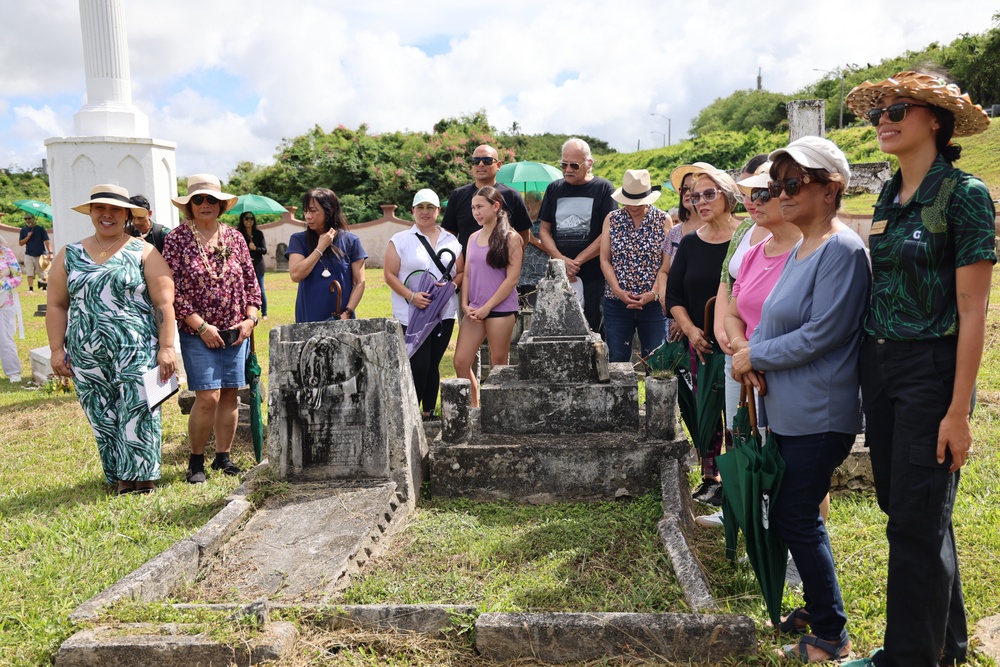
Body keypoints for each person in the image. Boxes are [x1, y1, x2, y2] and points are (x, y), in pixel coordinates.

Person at [841, 72, 995, 667]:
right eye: (878, 110)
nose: (884, 118)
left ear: (936, 120)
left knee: (913, 519)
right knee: (911, 511)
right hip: (880, 365)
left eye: (898, 108)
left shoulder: (964, 194)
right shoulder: (887, 196)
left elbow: (972, 310)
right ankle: (946, 645)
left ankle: (908, 658)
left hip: (932, 367)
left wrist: (959, 410)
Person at [731, 137, 870, 663]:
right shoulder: (800, 248)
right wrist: (756, 356)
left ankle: (831, 632)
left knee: (795, 515)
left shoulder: (841, 249)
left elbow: (823, 333)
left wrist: (756, 356)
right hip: (790, 407)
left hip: (821, 411)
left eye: (793, 183)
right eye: (777, 184)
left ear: (831, 189)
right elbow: (774, 321)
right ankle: (817, 609)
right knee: (794, 511)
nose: (781, 192)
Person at [45, 184, 176, 494]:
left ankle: (141, 480)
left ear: (127, 214)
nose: (107, 215)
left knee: (138, 409)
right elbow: (56, 304)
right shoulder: (70, 253)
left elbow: (164, 303)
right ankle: (119, 475)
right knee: (102, 415)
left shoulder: (144, 251)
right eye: (100, 208)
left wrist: (167, 347)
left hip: (136, 348)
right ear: (91, 212)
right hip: (86, 352)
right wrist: (55, 349)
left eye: (115, 209)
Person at [162, 174, 261, 484]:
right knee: (207, 396)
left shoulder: (234, 237)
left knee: (231, 393)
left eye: (211, 200)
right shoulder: (177, 239)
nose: (205, 205)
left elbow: (250, 283)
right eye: (198, 200)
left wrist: (250, 318)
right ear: (189, 205)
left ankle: (223, 457)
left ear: (221, 205)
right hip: (197, 332)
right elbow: (171, 290)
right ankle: (196, 461)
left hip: (236, 330)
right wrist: (201, 326)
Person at [664, 164, 741, 507]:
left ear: (727, 196)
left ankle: (738, 475)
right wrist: (692, 330)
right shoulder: (691, 242)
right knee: (705, 411)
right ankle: (711, 477)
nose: (701, 202)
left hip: (739, 342)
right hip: (701, 343)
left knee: (737, 413)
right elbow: (675, 296)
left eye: (710, 194)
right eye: (695, 197)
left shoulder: (747, 236)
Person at [384, 189, 463, 419]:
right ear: (412, 211)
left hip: (443, 312)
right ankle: (410, 414)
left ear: (438, 211)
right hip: (411, 313)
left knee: (433, 363)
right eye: (420, 207)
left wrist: (451, 288)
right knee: (418, 364)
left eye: (430, 207)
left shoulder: (452, 240)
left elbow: (461, 272)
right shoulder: (400, 240)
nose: (425, 212)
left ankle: (428, 412)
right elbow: (389, 275)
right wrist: (411, 296)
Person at [453, 186, 523, 408]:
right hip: (473, 310)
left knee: (498, 364)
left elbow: (511, 279)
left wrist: (487, 307)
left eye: (480, 207)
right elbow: (468, 274)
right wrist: (465, 304)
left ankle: (500, 411)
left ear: (496, 206)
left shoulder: (512, 238)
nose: (476, 212)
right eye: (473, 208)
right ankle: (475, 408)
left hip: (500, 310)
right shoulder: (472, 237)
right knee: (461, 362)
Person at [538, 138, 617, 334]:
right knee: (559, 326)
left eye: (574, 165)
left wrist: (576, 262)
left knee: (594, 327)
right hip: (560, 272)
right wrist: (561, 260)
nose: (568, 169)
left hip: (594, 275)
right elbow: (544, 230)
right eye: (563, 164)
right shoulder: (554, 188)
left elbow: (608, 232)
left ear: (589, 163)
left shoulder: (604, 188)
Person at [599, 169, 670, 363]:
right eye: (628, 200)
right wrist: (618, 291)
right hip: (617, 301)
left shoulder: (663, 220)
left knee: (656, 357)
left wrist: (653, 293)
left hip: (653, 303)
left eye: (637, 201)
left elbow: (666, 262)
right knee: (617, 357)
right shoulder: (612, 219)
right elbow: (605, 258)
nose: (632, 206)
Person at [286, 188, 367, 323]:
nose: (308, 216)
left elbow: (359, 282)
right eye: (306, 211)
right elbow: (295, 275)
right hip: (309, 318)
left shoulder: (351, 242)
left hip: (342, 319)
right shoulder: (298, 240)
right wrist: (320, 248)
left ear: (329, 211)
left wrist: (347, 313)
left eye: (313, 210)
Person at [442, 144, 533, 254]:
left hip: (502, 267)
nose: (480, 164)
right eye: (475, 161)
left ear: (498, 165)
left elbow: (524, 234)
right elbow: (449, 234)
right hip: (468, 267)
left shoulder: (512, 195)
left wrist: (512, 259)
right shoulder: (458, 195)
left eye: (487, 160)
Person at [660, 164, 706, 338]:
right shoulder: (674, 232)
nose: (687, 193)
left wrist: (683, 319)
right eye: (684, 188)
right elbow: (664, 270)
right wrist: (665, 297)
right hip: (673, 313)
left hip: (701, 316)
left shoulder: (712, 231)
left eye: (692, 188)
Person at [0, 234, 24, 383]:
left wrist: (3, 286)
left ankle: (13, 372)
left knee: (5, 337)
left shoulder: (6, 252)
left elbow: (18, 276)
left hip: (5, 300)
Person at [237, 212, 268, 320]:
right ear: (242, 220)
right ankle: (246, 312)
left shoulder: (258, 233)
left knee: (261, 289)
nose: (248, 221)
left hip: (258, 265)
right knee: (243, 290)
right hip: (243, 267)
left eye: (251, 218)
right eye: (246, 218)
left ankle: (264, 313)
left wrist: (255, 248)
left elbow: (264, 250)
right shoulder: (238, 234)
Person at [18, 213, 52, 292]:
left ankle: (44, 288)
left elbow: (47, 242)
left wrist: (50, 253)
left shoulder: (40, 229)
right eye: (25, 219)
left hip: (40, 254)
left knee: (43, 272)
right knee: (29, 272)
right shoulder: (23, 230)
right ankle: (31, 289)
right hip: (29, 254)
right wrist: (27, 237)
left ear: (33, 219)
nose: (27, 220)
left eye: (29, 218)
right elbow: (20, 243)